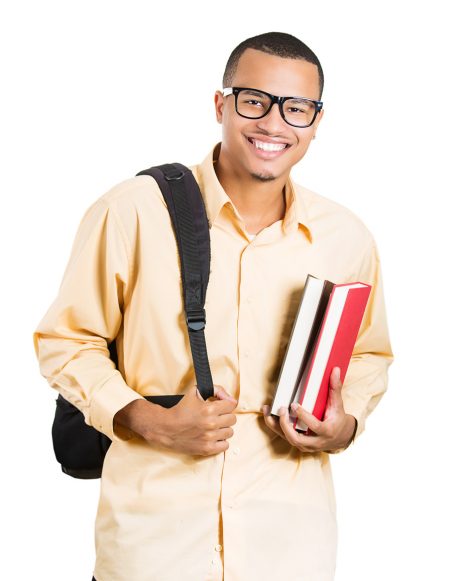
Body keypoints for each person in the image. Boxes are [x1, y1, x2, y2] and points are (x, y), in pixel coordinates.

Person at [33, 31, 393, 581]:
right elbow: (67, 341)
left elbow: (369, 355)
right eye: (255, 100)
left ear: (317, 122)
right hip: (154, 544)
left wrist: (344, 426)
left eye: (296, 108)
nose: (274, 125)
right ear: (221, 104)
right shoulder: (132, 211)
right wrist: (147, 420)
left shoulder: (346, 237)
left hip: (291, 544)